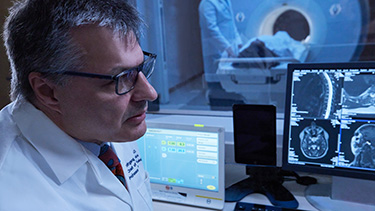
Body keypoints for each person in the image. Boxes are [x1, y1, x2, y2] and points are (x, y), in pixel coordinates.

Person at [0, 0, 158, 210]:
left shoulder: (105, 123)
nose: (150, 93)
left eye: (140, 68)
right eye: (122, 77)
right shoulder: (9, 194)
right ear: (48, 92)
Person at [198, 0, 245, 109]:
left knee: (229, 83)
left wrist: (238, 43)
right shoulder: (207, 4)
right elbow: (211, 29)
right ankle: (217, 108)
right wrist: (227, 47)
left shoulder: (226, 1)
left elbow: (232, 23)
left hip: (229, 48)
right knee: (216, 85)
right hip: (215, 50)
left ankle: (229, 107)